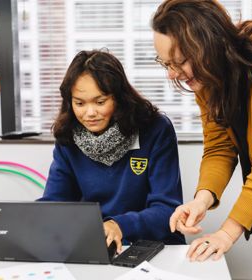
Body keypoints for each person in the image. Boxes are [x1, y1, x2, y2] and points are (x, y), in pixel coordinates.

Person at [152, 0, 252, 277]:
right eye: (166, 63)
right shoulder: (209, 76)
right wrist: (201, 200)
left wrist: (226, 234)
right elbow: (219, 147)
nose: (172, 74)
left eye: (178, 62)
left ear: (208, 46)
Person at [40, 49, 185, 253]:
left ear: (119, 98)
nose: (90, 113)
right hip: (98, 247)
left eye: (100, 102)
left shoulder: (155, 129)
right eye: (79, 103)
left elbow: (167, 209)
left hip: (156, 247)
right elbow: (56, 203)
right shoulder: (68, 137)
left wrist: (119, 225)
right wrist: (31, 220)